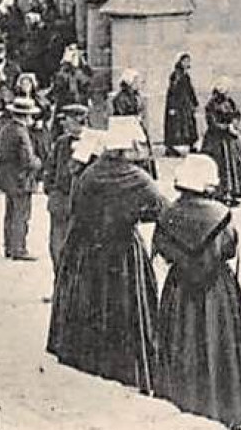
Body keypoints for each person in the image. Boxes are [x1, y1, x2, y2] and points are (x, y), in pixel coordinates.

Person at [47, 116, 166, 393]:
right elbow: (162, 209)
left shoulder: (89, 174)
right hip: (121, 253)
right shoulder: (136, 177)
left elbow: (76, 207)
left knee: (91, 307)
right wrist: (136, 214)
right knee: (123, 311)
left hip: (86, 252)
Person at [153, 156, 241, 430]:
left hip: (180, 289)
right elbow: (230, 248)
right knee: (221, 343)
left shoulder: (168, 213)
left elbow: (161, 248)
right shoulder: (221, 213)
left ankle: (183, 403)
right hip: (217, 290)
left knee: (182, 341)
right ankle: (226, 408)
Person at [43, 103, 91, 270]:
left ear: (80, 121)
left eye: (68, 120)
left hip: (82, 203)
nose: (64, 124)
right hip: (60, 200)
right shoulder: (61, 142)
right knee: (56, 246)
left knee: (78, 248)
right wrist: (51, 189)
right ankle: (58, 290)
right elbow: (50, 166)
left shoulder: (92, 143)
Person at [0, 98, 43, 260]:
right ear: (25, 116)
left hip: (8, 178)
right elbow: (28, 160)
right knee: (21, 215)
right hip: (21, 179)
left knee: (10, 213)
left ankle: (9, 247)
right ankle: (19, 249)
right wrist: (39, 163)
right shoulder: (22, 133)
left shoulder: (6, 129)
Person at [201, 80, 241, 205]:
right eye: (222, 92)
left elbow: (237, 114)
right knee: (221, 168)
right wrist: (226, 128)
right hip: (216, 141)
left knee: (234, 167)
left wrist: (234, 124)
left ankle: (232, 193)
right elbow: (212, 124)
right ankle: (222, 194)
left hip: (230, 139)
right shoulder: (211, 105)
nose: (225, 94)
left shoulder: (230, 101)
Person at [161, 53, 200, 156]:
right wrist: (172, 107)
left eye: (188, 61)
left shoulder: (186, 76)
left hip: (186, 106)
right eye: (185, 61)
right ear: (180, 62)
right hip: (178, 106)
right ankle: (170, 148)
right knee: (175, 126)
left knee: (189, 125)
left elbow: (190, 90)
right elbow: (172, 91)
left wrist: (195, 103)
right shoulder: (176, 75)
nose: (187, 63)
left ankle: (191, 145)